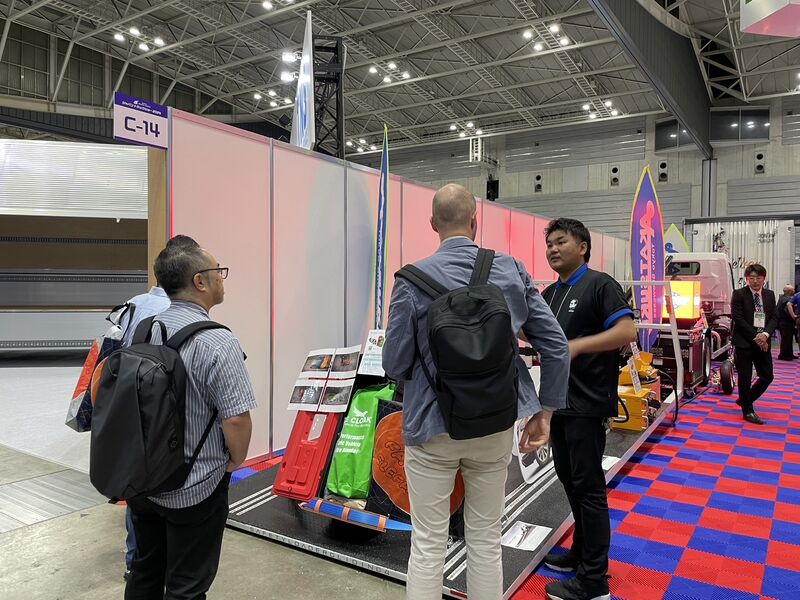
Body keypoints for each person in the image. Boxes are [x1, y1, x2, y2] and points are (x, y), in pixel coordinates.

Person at [382, 183, 570, 600]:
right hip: (495, 421)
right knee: (485, 539)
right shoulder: (511, 269)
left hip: (430, 426)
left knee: (428, 544)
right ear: (474, 221)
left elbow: (394, 364)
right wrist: (545, 413)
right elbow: (555, 345)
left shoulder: (410, 280)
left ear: (432, 224)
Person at [125, 235, 257, 600]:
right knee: (186, 587)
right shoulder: (218, 342)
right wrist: (235, 461)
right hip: (195, 487)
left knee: (144, 572)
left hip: (143, 479)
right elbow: (236, 419)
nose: (222, 278)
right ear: (200, 281)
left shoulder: (144, 329)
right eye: (218, 271)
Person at [540, 218, 636, 600]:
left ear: (582, 247)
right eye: (549, 244)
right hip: (558, 402)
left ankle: (594, 580)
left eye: (560, 242)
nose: (552, 249)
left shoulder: (600, 285)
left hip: (587, 402)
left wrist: (577, 347)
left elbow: (626, 331)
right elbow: (542, 336)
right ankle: (581, 553)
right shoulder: (550, 293)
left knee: (590, 488)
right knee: (570, 481)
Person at [118, 283, 171, 582]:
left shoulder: (132, 303)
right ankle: (157, 564)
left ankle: (134, 563)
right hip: (157, 411)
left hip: (126, 408)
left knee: (135, 489)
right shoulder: (170, 312)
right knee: (161, 489)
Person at [731, 264, 777, 425]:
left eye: (758, 278)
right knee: (745, 377)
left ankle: (745, 399)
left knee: (767, 376)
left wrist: (765, 335)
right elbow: (738, 318)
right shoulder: (739, 294)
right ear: (747, 279)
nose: (755, 281)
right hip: (744, 342)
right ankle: (748, 410)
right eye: (752, 278)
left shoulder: (770, 295)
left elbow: (774, 318)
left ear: (764, 279)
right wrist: (757, 337)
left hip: (763, 342)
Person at [776, 285, 796, 361]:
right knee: (786, 339)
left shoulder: (782, 297)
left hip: (783, 322)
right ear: (789, 291)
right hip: (786, 322)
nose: (794, 291)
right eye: (793, 290)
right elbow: (787, 312)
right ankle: (783, 355)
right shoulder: (787, 300)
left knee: (789, 338)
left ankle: (789, 354)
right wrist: (794, 316)